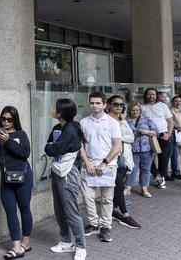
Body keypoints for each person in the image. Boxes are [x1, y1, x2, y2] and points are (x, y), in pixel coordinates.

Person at [0, 106, 32, 259]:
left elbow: (25, 153)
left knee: (24, 208)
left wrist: (9, 140)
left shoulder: (21, 134)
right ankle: (16, 247)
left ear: (15, 120)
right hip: (7, 178)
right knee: (10, 210)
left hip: (23, 176)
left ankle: (26, 242)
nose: (5, 122)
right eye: (3, 119)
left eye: (9, 119)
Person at [44, 98, 86, 260]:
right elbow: (50, 147)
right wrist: (51, 147)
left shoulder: (70, 130)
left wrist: (51, 147)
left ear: (60, 112)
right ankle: (66, 241)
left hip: (68, 174)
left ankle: (81, 246)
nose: (52, 109)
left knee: (71, 211)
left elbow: (52, 149)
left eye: (54, 107)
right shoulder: (58, 127)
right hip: (57, 171)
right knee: (59, 209)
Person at [79, 91, 122, 243]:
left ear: (105, 105)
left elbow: (117, 146)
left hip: (108, 166)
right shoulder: (83, 122)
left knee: (106, 199)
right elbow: (81, 146)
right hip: (88, 166)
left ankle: (105, 226)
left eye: (98, 103)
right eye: (92, 102)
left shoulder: (113, 123)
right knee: (88, 197)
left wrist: (104, 163)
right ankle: (93, 223)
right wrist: (88, 163)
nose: (95, 105)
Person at [106, 95, 140, 229]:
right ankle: (125, 215)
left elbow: (131, 137)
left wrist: (119, 137)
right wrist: (120, 137)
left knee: (118, 185)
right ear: (108, 105)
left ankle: (114, 209)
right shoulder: (106, 120)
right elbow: (111, 139)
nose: (119, 107)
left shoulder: (122, 120)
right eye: (116, 104)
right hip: (112, 158)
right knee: (119, 186)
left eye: (121, 105)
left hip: (124, 157)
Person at [141, 88, 174, 188]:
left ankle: (162, 177)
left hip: (163, 134)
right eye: (149, 94)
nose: (151, 96)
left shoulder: (163, 106)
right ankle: (156, 175)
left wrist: (168, 133)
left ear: (156, 96)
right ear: (146, 96)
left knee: (164, 158)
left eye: (153, 94)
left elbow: (170, 121)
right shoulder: (141, 107)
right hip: (147, 136)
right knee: (147, 158)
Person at [125, 101, 158, 198]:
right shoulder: (126, 120)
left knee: (145, 169)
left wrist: (147, 132)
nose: (135, 112)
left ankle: (144, 189)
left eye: (137, 110)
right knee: (132, 169)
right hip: (132, 149)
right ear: (129, 111)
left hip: (146, 148)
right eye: (133, 110)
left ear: (140, 110)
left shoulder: (146, 119)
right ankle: (128, 188)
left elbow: (156, 131)